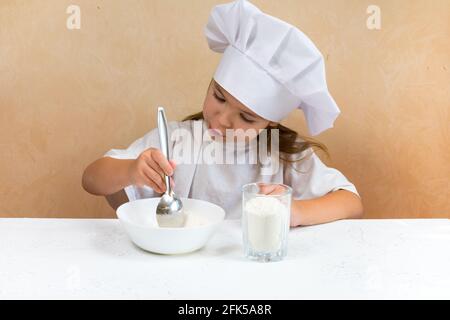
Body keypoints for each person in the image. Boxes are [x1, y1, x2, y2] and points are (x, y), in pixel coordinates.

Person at [82, 0, 363, 227]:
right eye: (219, 97)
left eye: (246, 117)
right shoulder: (176, 140)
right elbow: (92, 179)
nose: (223, 119)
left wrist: (294, 211)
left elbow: (351, 203)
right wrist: (131, 171)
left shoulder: (284, 156)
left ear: (270, 123)